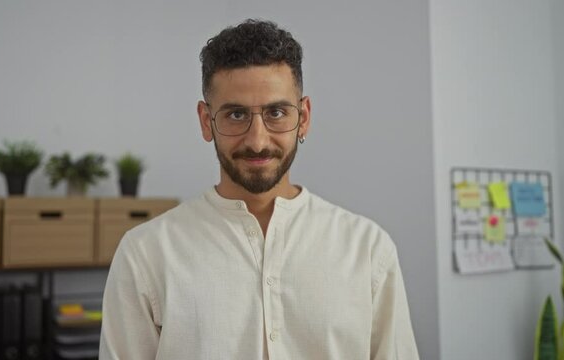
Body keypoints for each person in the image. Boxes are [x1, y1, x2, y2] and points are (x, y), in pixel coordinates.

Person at [99, 19, 419, 360]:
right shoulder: (145, 255)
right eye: (236, 115)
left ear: (304, 117)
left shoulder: (367, 250)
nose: (257, 140)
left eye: (276, 112)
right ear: (206, 122)